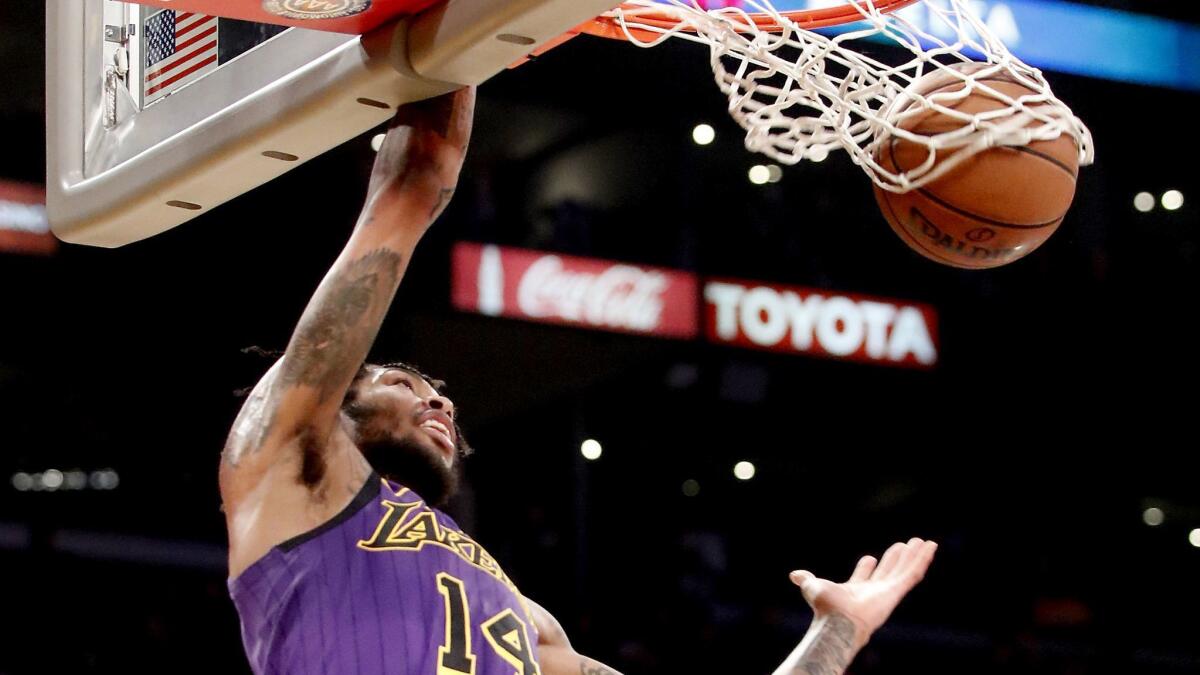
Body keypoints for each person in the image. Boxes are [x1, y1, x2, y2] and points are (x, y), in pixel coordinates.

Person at [220, 86, 937, 675]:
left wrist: (837, 632)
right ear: (338, 399)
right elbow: (410, 187)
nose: (438, 397)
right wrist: (461, 49)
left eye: (437, 389)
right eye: (405, 383)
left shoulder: (521, 617)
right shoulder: (287, 460)